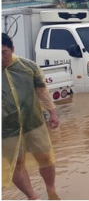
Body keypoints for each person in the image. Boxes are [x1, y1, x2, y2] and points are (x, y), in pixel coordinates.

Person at [2, 33, 60, 201]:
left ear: (12, 49)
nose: (0, 58)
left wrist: (53, 113)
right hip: (5, 128)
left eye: (3, 52)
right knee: (16, 163)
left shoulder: (29, 66)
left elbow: (42, 91)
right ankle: (32, 197)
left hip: (33, 122)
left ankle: (51, 190)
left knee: (45, 156)